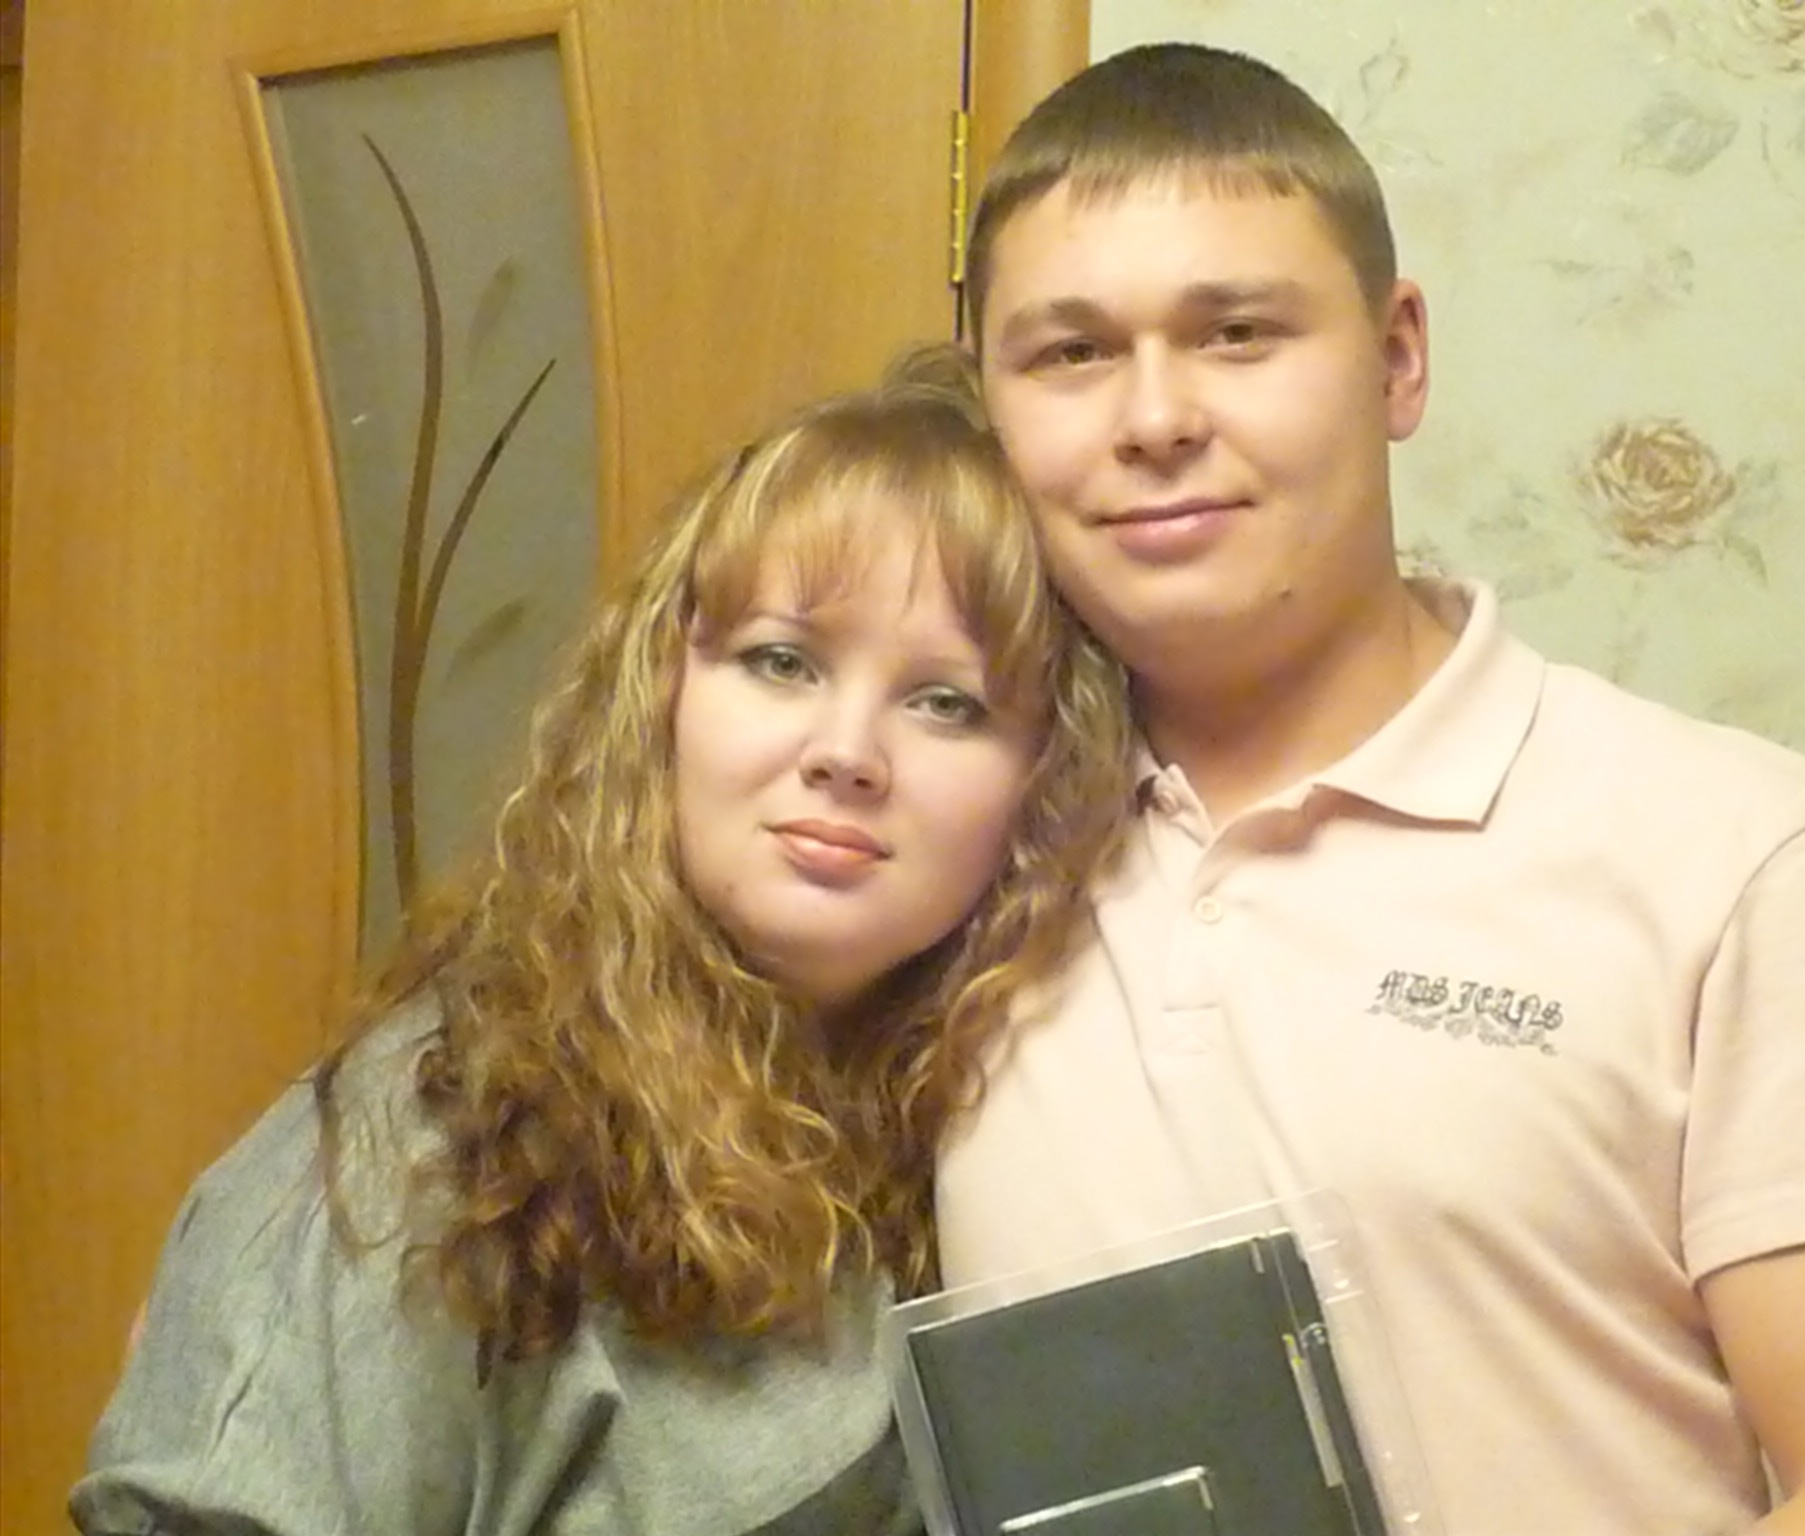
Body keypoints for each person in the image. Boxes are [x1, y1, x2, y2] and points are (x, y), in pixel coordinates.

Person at [935, 42, 1805, 1536]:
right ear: (988, 404)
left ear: (1396, 358)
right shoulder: (950, 847)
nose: (1154, 417)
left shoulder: (1727, 851)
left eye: (1237, 333)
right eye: (1070, 354)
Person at [71, 350, 1133, 1536]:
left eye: (945, 702)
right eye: (781, 662)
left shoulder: (1020, 1131)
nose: (847, 752)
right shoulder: (447, 1136)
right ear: (662, 696)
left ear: (1047, 778)